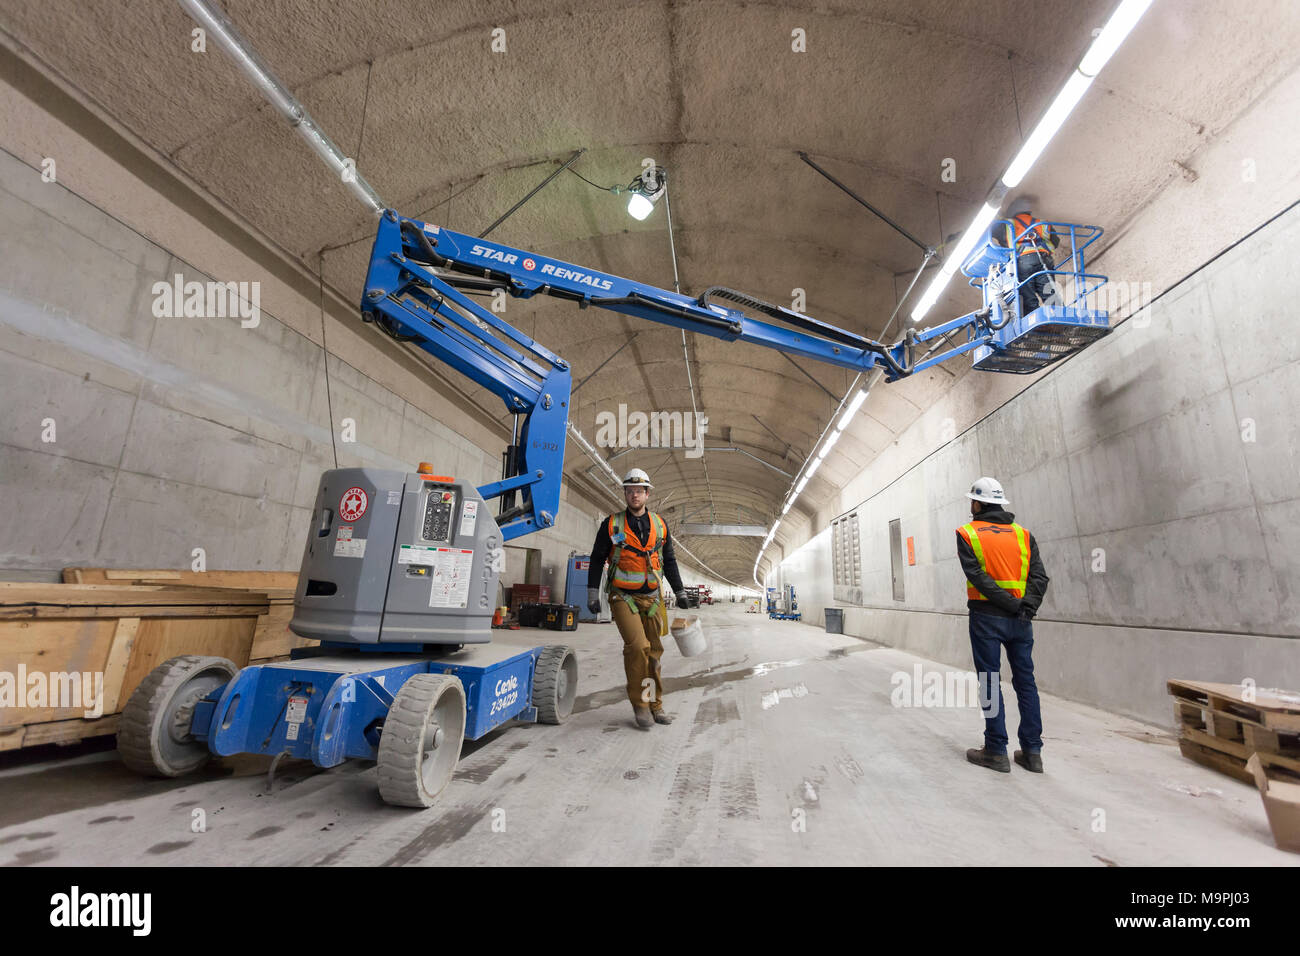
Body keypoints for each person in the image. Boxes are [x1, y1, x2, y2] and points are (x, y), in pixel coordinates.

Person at [956, 477, 1050, 774]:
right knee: (1026, 681)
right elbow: (1040, 577)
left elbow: (978, 578)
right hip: (1021, 621)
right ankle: (1032, 752)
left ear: (979, 503)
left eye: (972, 500)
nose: (970, 505)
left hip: (986, 618)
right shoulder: (1024, 535)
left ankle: (996, 749)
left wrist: (1011, 605)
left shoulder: (967, 533)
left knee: (989, 682)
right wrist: (1027, 606)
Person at [587, 468, 689, 729]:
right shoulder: (611, 524)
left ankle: (656, 705)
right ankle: (641, 705)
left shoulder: (660, 525)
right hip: (623, 597)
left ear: (647, 494)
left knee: (654, 654)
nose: (634, 495)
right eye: (630, 491)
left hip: (653, 599)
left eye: (639, 491)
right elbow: (598, 559)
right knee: (638, 648)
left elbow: (669, 561)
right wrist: (592, 593)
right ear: (625, 493)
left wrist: (679, 591)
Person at [992, 197, 1061, 317]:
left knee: (1028, 297)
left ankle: (1035, 322)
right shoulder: (1042, 223)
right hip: (1044, 260)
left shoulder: (1007, 224)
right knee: (1049, 294)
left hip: (1023, 262)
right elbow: (1056, 242)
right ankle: (1061, 320)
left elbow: (992, 232)